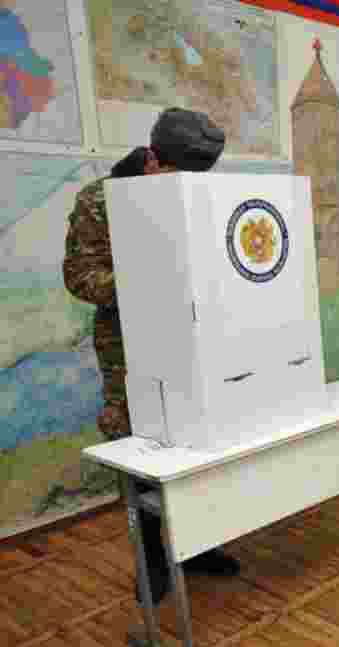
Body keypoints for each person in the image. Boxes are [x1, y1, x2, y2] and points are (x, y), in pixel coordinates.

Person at [63, 107, 235, 605]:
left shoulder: (198, 192)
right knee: (141, 455)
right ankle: (153, 559)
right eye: (180, 174)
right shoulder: (100, 201)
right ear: (154, 161)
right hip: (129, 350)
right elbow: (80, 278)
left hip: (197, 341)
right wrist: (144, 281)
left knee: (198, 442)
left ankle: (199, 544)